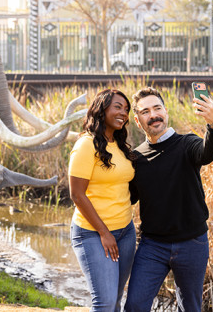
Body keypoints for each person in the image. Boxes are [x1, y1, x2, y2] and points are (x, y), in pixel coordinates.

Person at [124, 86, 213, 312]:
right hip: (152, 246)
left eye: (157, 108)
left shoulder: (187, 144)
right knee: (135, 306)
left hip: (192, 243)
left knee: (190, 308)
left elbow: (208, 152)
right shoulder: (136, 158)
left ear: (166, 112)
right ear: (138, 121)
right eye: (145, 112)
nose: (153, 115)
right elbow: (126, 198)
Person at [69, 88, 137, 311]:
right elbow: (77, 194)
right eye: (118, 106)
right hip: (93, 233)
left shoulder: (119, 145)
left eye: (126, 109)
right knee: (105, 302)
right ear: (102, 109)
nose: (123, 113)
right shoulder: (86, 144)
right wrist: (104, 233)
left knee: (115, 299)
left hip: (125, 232)